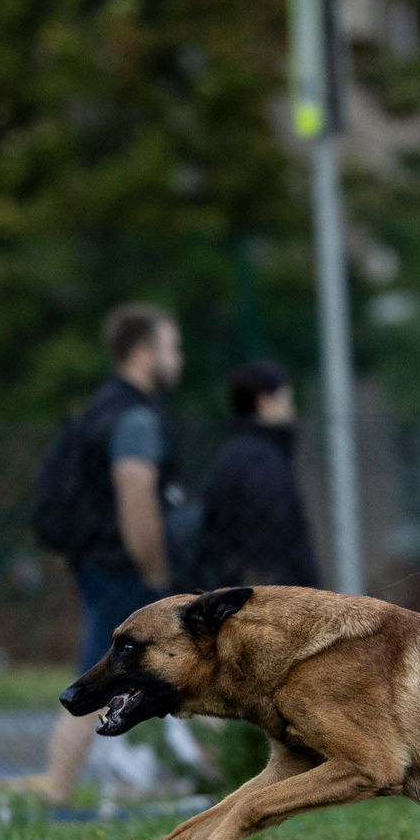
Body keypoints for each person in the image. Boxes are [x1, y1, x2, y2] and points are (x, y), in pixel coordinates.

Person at [43, 303, 184, 803]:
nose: (178, 358)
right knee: (96, 674)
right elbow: (136, 497)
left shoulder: (101, 407)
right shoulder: (134, 418)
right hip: (123, 567)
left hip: (97, 560)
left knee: (116, 674)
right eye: (172, 347)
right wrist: (157, 576)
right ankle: (56, 794)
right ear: (144, 352)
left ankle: (105, 784)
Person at [196, 360, 323, 591]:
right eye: (286, 400)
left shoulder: (233, 453)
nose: (292, 411)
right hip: (274, 598)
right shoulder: (262, 460)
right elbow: (269, 539)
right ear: (264, 403)